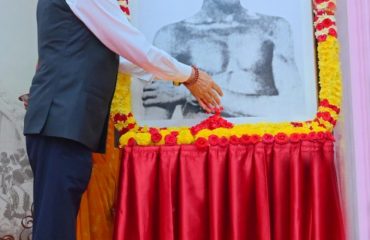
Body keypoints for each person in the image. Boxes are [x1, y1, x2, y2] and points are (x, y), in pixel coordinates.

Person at [23, 0, 223, 239]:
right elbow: (135, 48)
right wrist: (191, 75)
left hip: (63, 123)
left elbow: (120, 57)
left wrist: (179, 78)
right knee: (54, 228)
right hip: (61, 123)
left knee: (55, 223)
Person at [142, 0, 305, 119]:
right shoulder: (172, 35)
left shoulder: (273, 28)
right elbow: (155, 119)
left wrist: (191, 93)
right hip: (202, 147)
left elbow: (291, 106)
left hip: (261, 143)